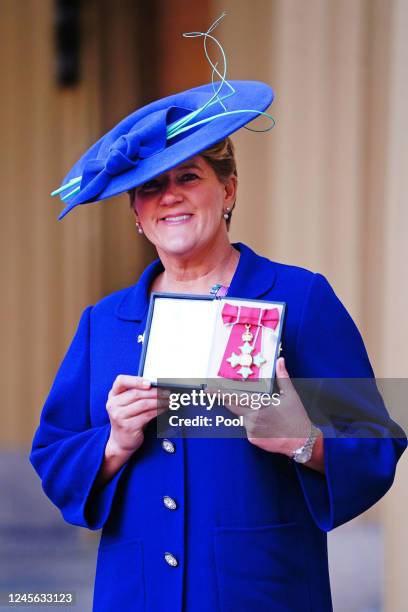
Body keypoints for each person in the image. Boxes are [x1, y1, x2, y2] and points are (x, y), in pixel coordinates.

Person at [30, 17, 406, 612]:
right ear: (135, 212)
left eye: (189, 177)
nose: (169, 196)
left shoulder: (301, 299)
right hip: (137, 596)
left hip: (263, 592)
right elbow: (53, 457)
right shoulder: (104, 323)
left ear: (229, 191)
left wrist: (302, 439)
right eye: (150, 188)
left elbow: (377, 444)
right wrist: (114, 444)